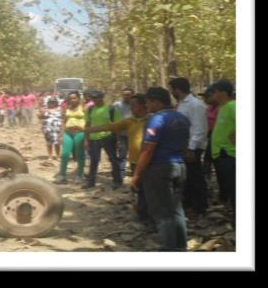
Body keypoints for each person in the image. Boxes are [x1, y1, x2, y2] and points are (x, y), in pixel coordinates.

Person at [133, 87, 190, 251]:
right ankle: (180, 247)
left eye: (148, 102)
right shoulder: (182, 118)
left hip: (160, 168)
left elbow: (148, 149)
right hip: (180, 166)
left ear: (156, 101)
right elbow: (185, 145)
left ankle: (167, 249)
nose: (147, 106)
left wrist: (137, 174)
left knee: (161, 212)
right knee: (176, 209)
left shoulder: (156, 119)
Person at [86, 94, 150, 221]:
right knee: (138, 188)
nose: (131, 108)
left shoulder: (152, 120)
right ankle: (142, 214)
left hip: (149, 161)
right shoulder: (130, 121)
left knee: (150, 189)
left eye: (134, 105)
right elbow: (109, 126)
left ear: (144, 106)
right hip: (134, 160)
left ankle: (152, 216)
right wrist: (87, 130)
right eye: (130, 105)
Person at [169, 77, 209, 216]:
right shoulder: (181, 104)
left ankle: (200, 206)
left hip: (193, 147)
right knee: (186, 177)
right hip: (183, 146)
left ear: (177, 89)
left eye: (172, 89)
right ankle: (189, 204)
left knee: (195, 177)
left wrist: (192, 149)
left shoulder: (195, 104)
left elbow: (199, 128)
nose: (171, 92)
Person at [208, 79, 236, 225]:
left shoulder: (233, 106)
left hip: (229, 155)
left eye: (215, 92)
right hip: (221, 154)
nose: (213, 95)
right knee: (229, 187)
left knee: (234, 188)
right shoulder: (223, 107)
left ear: (223, 92)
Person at [83, 90, 123, 189]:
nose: (94, 100)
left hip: (108, 138)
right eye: (92, 98)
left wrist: (118, 140)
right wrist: (86, 139)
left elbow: (117, 126)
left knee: (113, 159)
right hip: (94, 138)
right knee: (94, 160)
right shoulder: (90, 109)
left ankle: (117, 181)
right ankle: (91, 182)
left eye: (96, 98)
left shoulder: (111, 109)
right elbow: (87, 124)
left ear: (102, 98)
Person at [54, 91, 86, 185]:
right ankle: (62, 175)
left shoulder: (84, 108)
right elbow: (64, 122)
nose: (72, 100)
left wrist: (87, 137)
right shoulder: (67, 108)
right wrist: (60, 135)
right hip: (68, 133)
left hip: (79, 133)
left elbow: (88, 122)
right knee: (65, 154)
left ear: (78, 98)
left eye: (74, 98)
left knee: (80, 155)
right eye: (71, 98)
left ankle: (79, 176)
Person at [113, 88, 134, 179]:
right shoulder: (116, 105)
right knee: (122, 154)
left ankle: (135, 172)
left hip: (135, 134)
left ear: (132, 95)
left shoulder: (137, 105)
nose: (126, 96)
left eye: (128, 94)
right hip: (121, 134)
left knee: (135, 154)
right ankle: (121, 173)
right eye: (124, 94)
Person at [39, 97, 63, 161]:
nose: (52, 104)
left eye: (53, 102)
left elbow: (62, 118)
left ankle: (58, 156)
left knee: (57, 143)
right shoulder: (45, 110)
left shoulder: (59, 110)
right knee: (49, 143)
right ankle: (50, 156)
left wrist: (62, 128)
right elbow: (40, 118)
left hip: (57, 129)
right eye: (50, 102)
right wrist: (42, 112)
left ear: (56, 103)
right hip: (48, 129)